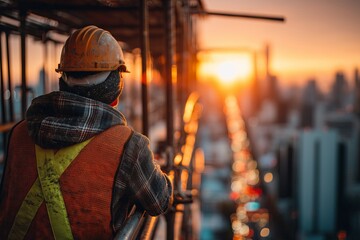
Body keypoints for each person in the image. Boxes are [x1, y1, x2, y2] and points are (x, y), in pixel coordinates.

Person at [0, 25, 173, 239]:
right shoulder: (129, 146)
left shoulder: (19, 133)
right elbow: (159, 200)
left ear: (63, 79)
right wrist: (154, 167)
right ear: (115, 88)